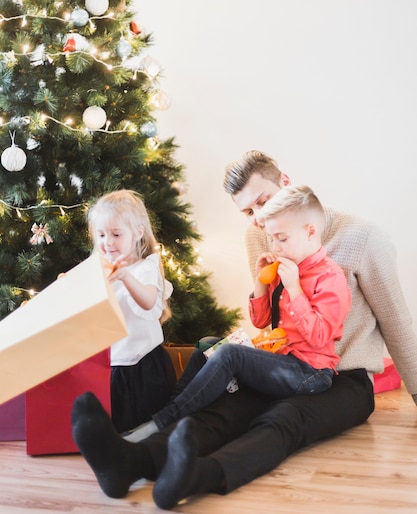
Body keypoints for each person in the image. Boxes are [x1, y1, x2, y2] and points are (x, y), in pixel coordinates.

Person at [72, 150, 417, 510]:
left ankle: (199, 475)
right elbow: (265, 317)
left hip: (342, 378)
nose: (258, 220)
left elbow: (398, 324)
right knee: (229, 408)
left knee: (283, 419)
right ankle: (128, 463)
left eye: (262, 203)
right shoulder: (261, 236)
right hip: (287, 362)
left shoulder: (362, 237)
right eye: (247, 212)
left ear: (286, 183)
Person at [126, 184, 351, 438]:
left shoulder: (330, 277)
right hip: (280, 357)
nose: (276, 247)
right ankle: (166, 417)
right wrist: (260, 283)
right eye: (272, 238)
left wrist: (295, 290)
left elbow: (319, 336)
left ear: (310, 232)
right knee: (206, 347)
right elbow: (261, 320)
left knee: (231, 354)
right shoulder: (285, 269)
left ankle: (159, 424)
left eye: (282, 238)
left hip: (310, 373)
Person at [87, 189, 176, 433]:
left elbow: (149, 301)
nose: (108, 242)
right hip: (114, 364)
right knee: (118, 429)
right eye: (102, 234)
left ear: (137, 233)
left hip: (143, 365)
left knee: (146, 428)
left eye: (116, 234)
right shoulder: (100, 268)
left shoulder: (146, 266)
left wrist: (125, 277)